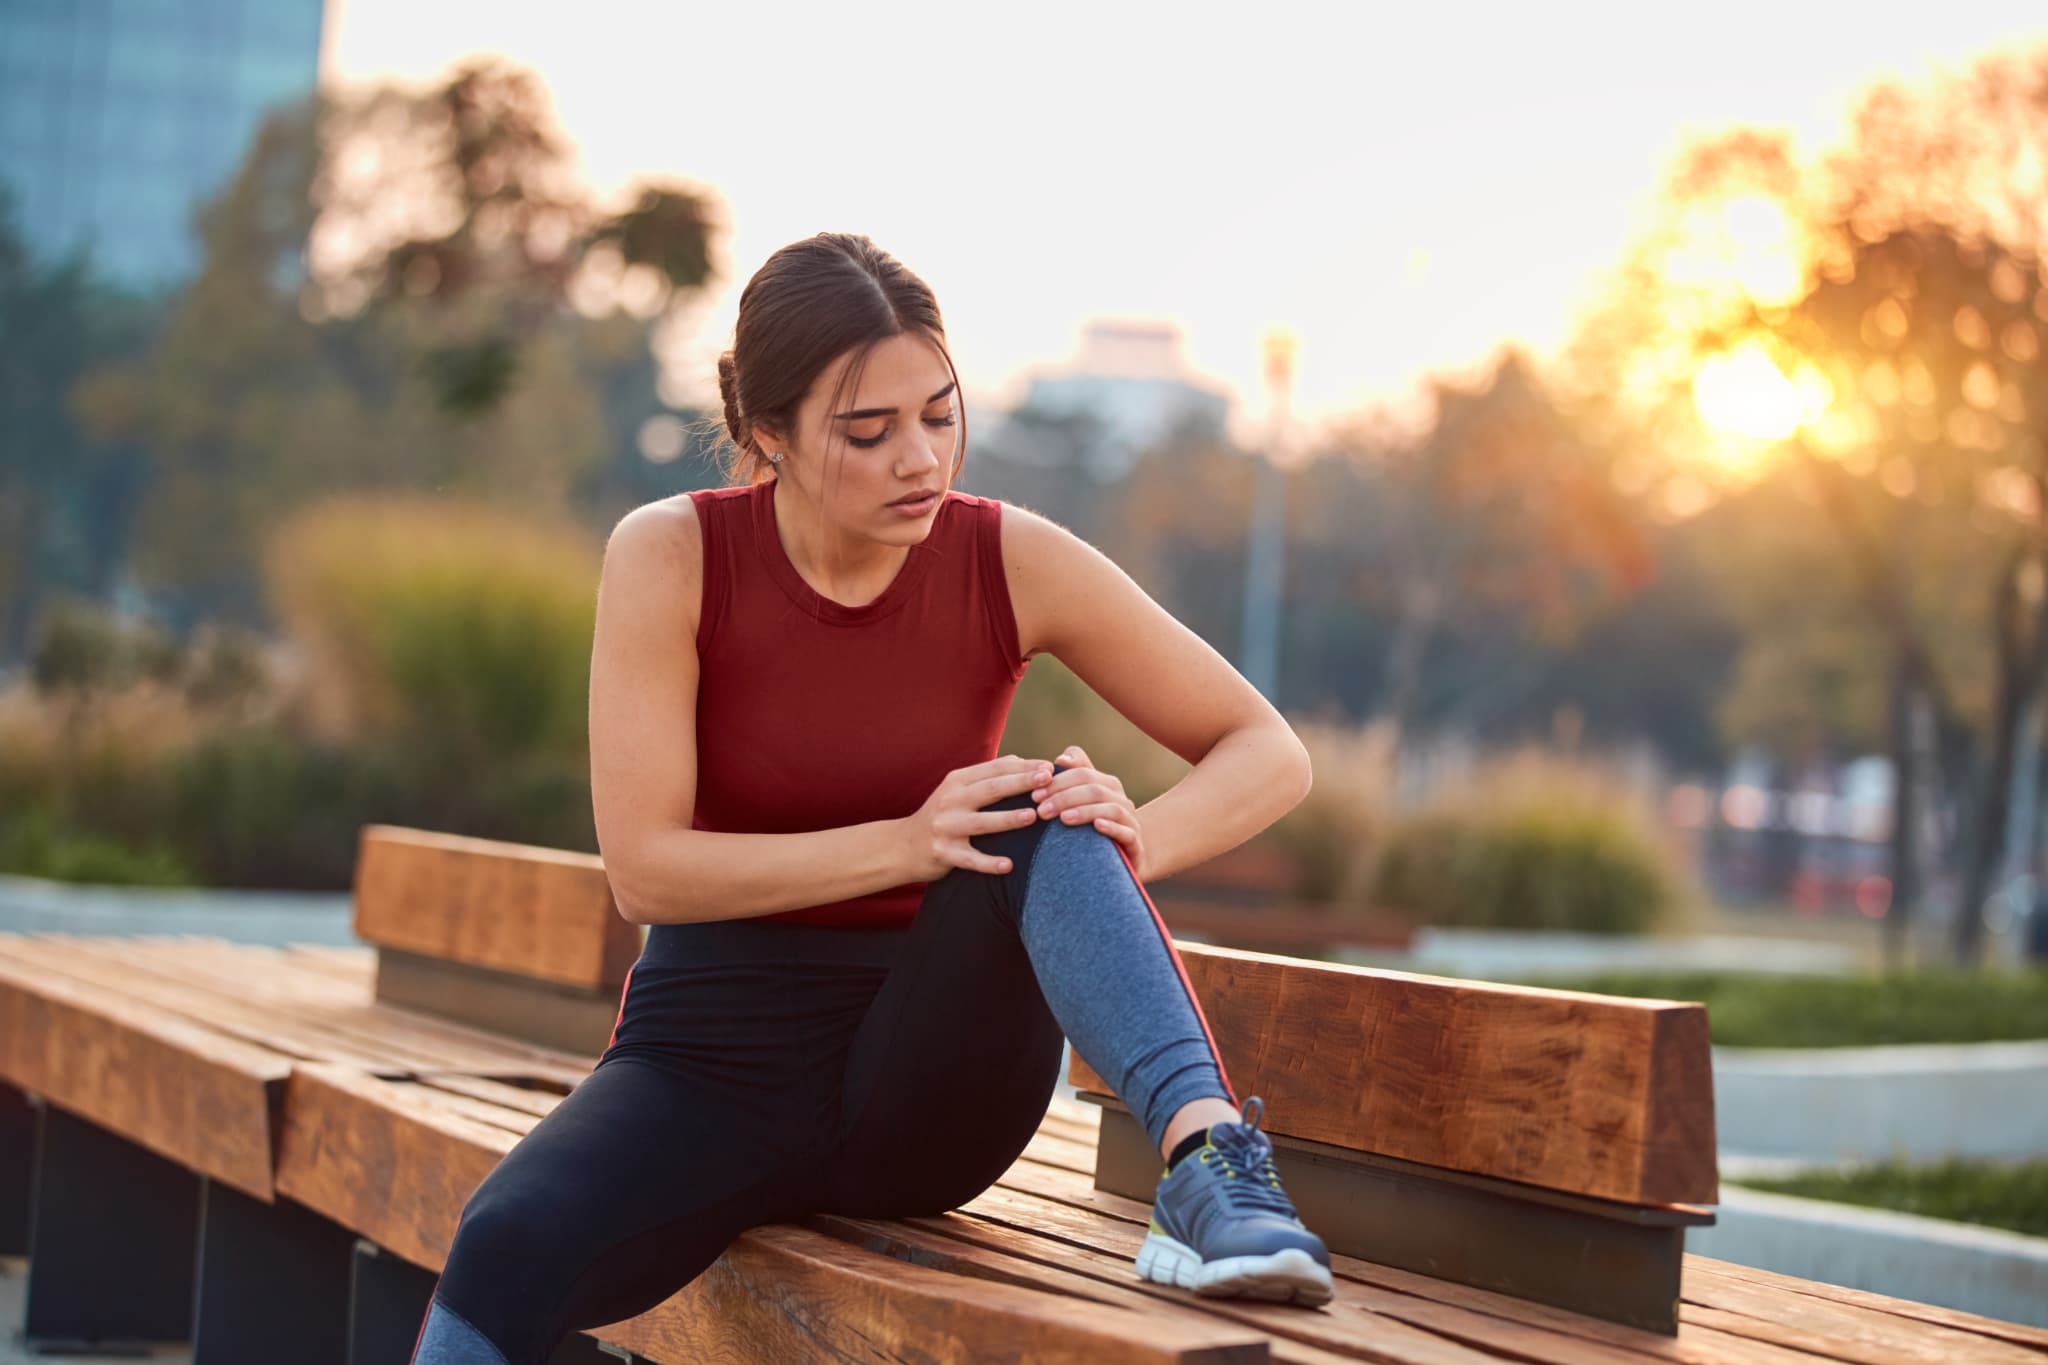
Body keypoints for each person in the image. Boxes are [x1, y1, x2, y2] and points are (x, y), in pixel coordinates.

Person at [409, 232, 1333, 1363]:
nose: (920, 461)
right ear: (767, 432)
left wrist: (1120, 833)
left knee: (1042, 805)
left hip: (932, 1081)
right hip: (705, 1062)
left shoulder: (1007, 559)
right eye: (868, 430)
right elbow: (647, 870)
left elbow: (1264, 750)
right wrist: (907, 842)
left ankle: (1207, 1169)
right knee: (499, 1246)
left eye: (939, 416)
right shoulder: (671, 555)